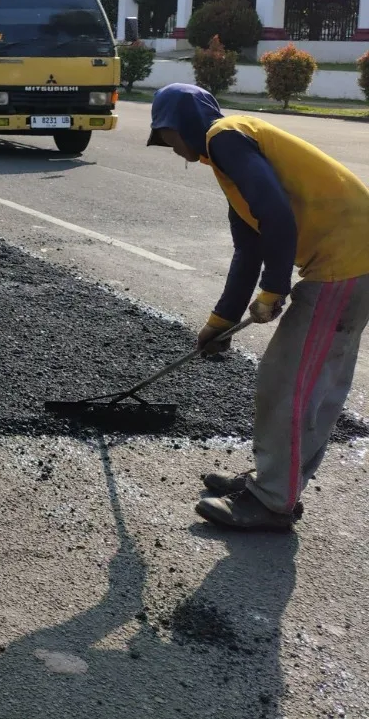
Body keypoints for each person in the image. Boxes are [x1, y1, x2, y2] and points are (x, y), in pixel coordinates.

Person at [146, 82, 369, 532]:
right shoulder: (231, 156)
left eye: (167, 135)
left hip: (348, 260)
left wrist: (273, 291)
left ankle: (271, 501)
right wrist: (219, 324)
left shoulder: (223, 136)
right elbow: (249, 248)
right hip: (345, 258)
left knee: (289, 385)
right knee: (301, 385)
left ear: (184, 124)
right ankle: (277, 485)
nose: (169, 147)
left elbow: (278, 215)